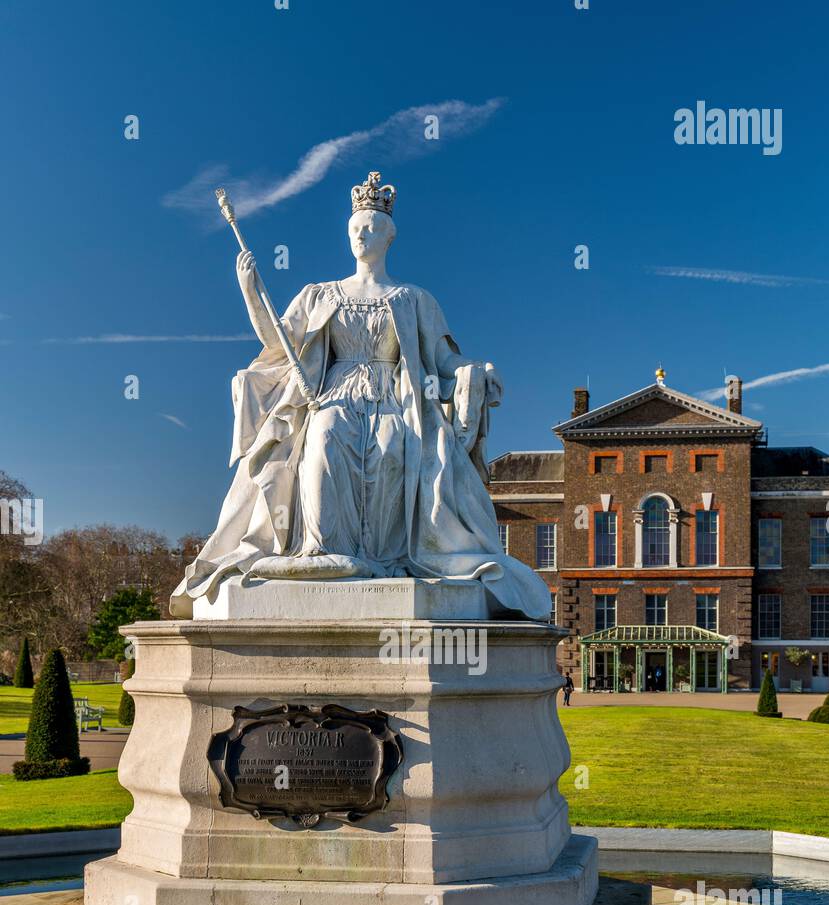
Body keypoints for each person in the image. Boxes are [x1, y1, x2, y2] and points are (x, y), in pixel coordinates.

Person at [170, 172, 552, 623]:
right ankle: (320, 549)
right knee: (325, 441)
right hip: (331, 396)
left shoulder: (413, 298)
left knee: (394, 449)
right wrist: (251, 293)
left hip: (395, 400)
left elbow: (443, 360)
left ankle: (383, 561)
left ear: (389, 235)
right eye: (354, 228)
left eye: (370, 227)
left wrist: (474, 371)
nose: (361, 234)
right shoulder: (321, 294)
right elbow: (278, 344)